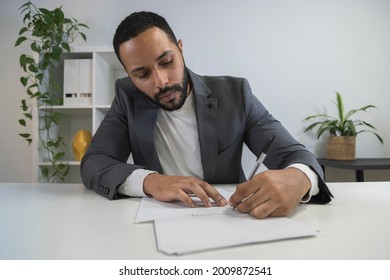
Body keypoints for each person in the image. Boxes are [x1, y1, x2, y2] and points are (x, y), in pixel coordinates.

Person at [81, 11, 333, 219]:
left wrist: (298, 178)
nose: (161, 81)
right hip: (160, 221)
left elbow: (297, 155)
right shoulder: (127, 98)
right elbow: (94, 163)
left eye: (167, 61)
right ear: (128, 75)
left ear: (180, 49)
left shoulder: (236, 94)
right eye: (142, 74)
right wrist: (151, 182)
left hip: (231, 219)